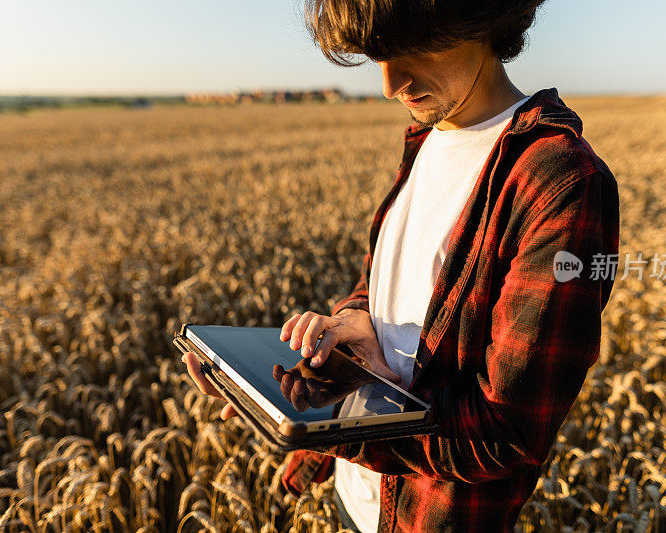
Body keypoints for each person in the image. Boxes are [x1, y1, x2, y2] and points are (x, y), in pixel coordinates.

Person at [183, 0, 621, 531]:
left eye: (411, 47)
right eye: (377, 56)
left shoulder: (558, 181)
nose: (390, 84)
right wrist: (343, 329)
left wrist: (322, 423)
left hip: (427, 518)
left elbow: (505, 432)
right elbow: (384, 286)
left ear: (482, 19)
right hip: (359, 498)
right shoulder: (430, 136)